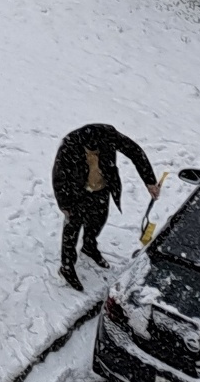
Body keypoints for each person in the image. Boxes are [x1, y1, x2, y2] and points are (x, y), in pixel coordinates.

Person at [51, 123, 159, 289]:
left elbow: (134, 151)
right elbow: (59, 177)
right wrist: (65, 204)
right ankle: (67, 267)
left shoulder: (108, 135)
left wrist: (150, 181)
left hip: (101, 189)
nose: (95, 154)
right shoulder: (69, 145)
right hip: (77, 192)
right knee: (72, 228)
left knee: (98, 221)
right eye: (90, 152)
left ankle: (89, 246)